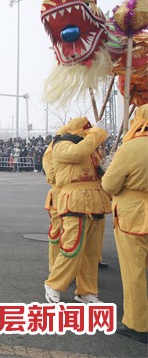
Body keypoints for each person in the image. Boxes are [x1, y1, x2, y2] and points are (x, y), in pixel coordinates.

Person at [44, 117, 111, 304]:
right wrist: (98, 133)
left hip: (96, 201)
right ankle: (54, 284)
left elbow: (99, 171)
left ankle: (87, 291)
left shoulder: (91, 148)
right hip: (74, 201)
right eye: (87, 130)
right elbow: (77, 153)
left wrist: (106, 166)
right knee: (72, 247)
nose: (90, 133)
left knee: (91, 252)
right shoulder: (62, 144)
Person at [102, 105, 148, 344]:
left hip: (133, 215)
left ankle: (138, 324)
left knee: (135, 272)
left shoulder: (129, 149)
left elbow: (109, 184)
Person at [42, 126, 66, 272]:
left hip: (74, 198)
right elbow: (52, 175)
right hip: (59, 196)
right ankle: (55, 267)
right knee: (57, 233)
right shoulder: (51, 152)